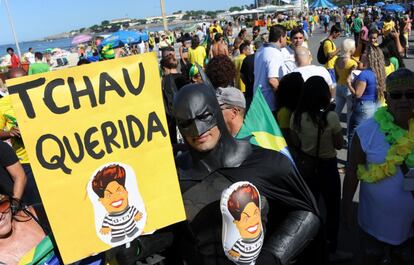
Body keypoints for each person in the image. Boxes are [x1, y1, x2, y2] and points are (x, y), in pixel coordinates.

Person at [171, 83, 321, 265]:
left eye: (204, 116)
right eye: (186, 123)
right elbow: (170, 233)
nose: (198, 130)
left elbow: (306, 211)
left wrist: (271, 257)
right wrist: (138, 247)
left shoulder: (264, 162)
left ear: (217, 113)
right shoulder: (175, 173)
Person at [343, 69, 414, 265]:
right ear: (387, 98)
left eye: (411, 94)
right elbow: (351, 172)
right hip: (373, 226)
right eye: (397, 95)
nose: (404, 100)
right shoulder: (367, 131)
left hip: (410, 230)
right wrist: (347, 205)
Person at [290, 76, 350, 262]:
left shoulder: (297, 116)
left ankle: (309, 246)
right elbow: (339, 145)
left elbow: (295, 142)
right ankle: (332, 248)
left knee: (310, 208)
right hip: (328, 166)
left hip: (307, 166)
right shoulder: (330, 117)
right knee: (332, 209)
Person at [254, 25, 287, 115]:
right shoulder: (273, 53)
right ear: (281, 38)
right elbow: (272, 80)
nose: (286, 40)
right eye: (285, 37)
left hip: (259, 99)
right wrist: (283, 98)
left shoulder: (261, 50)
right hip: (269, 103)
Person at [334, 38, 358, 128]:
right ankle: (349, 136)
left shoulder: (337, 60)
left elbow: (336, 76)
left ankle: (332, 129)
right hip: (348, 88)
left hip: (339, 86)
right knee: (350, 114)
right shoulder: (352, 63)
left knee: (337, 111)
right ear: (351, 49)